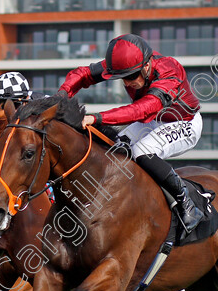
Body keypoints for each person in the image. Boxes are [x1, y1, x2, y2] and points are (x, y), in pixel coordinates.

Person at [56, 33, 203, 231]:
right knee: (115, 148)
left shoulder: (170, 70)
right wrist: (62, 95)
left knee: (141, 151)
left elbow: (142, 110)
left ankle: (186, 202)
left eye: (131, 77)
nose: (126, 83)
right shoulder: (128, 64)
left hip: (185, 123)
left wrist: (95, 118)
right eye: (121, 78)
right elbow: (83, 74)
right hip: (152, 121)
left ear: (147, 65)